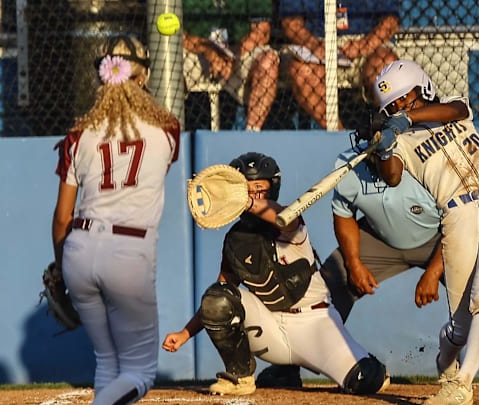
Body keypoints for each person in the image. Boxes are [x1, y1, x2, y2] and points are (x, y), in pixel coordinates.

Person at [256, 143, 479, 389]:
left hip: (440, 236)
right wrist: (354, 264)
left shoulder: (424, 162)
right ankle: (291, 365)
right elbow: (343, 216)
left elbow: (457, 220)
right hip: (379, 238)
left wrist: (433, 272)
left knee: (476, 285)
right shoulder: (349, 165)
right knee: (331, 279)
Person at [162, 152, 390, 396]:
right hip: (269, 327)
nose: (251, 194)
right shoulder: (234, 240)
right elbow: (219, 296)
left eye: (258, 188)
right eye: (244, 189)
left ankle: (291, 370)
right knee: (218, 297)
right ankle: (241, 376)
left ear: (273, 188)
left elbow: (280, 218)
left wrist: (246, 201)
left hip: (315, 323)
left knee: (367, 380)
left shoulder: (289, 220)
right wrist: (185, 333)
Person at [372, 59, 479, 404]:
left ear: (422, 86)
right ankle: (447, 363)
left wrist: (409, 117)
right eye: (393, 105)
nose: (400, 105)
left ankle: (462, 385)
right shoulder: (400, 140)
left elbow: (455, 109)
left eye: (405, 96)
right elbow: (393, 175)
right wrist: (383, 146)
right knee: (461, 327)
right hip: (458, 219)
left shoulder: (452, 106)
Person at [51, 35, 181, 405]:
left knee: (107, 360)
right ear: (142, 78)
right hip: (129, 249)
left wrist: (61, 269)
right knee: (140, 372)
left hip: (79, 246)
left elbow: (62, 218)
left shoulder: (78, 135)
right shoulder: (168, 130)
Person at [279, 0, 400, 129]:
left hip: (367, 43)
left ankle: (390, 130)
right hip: (317, 43)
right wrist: (314, 45)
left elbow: (390, 21)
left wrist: (364, 45)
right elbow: (291, 24)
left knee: (385, 64)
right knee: (302, 71)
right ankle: (339, 134)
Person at [181, 0, 279, 131]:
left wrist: (232, 56)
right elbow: (176, 35)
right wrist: (207, 49)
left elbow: (262, 32)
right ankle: (172, 133)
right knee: (169, 66)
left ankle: (251, 135)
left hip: (241, 52)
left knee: (268, 62)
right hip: (197, 51)